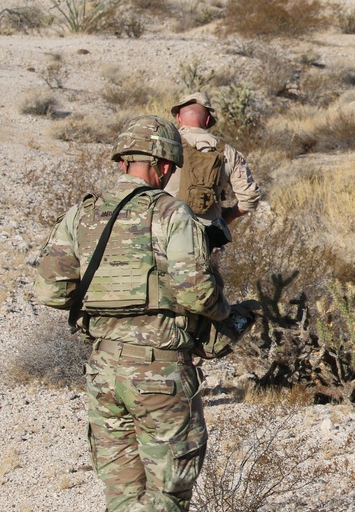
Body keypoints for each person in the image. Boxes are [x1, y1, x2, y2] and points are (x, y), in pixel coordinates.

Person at [34, 115, 232, 512]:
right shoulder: (171, 213)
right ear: (162, 165)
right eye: (170, 169)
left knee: (121, 496)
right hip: (160, 371)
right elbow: (196, 291)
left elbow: (49, 290)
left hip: (103, 369)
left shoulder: (81, 214)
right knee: (167, 495)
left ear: (124, 161)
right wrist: (224, 313)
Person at [165, 92, 261, 248]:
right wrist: (228, 216)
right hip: (206, 240)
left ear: (178, 118)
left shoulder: (165, 147)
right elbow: (250, 197)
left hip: (166, 235)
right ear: (208, 120)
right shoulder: (228, 152)